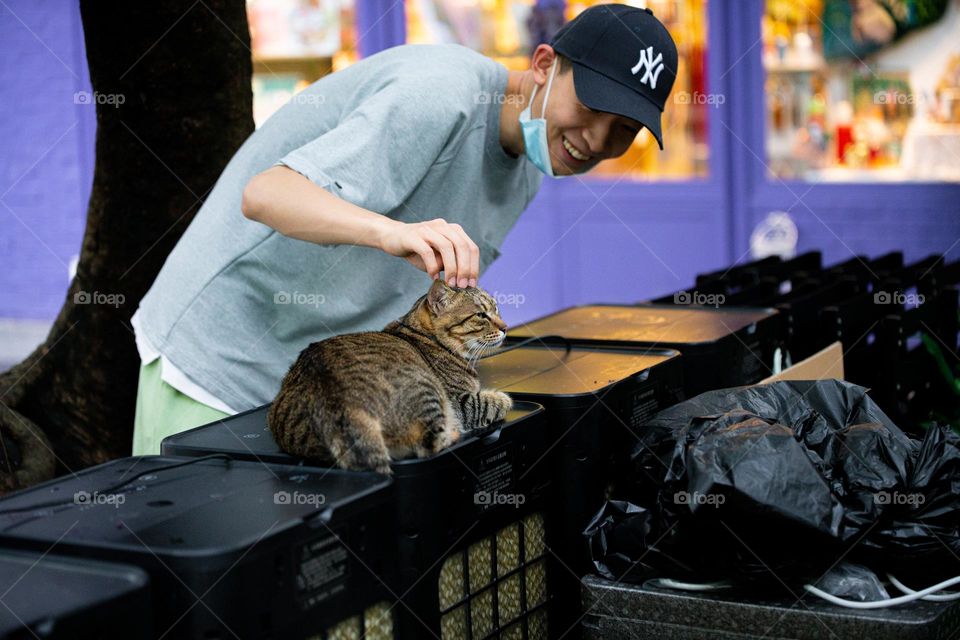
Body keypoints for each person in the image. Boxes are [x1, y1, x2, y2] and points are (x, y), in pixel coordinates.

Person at [130, 3, 679, 455]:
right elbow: (266, 193)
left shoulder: (531, 169)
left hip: (332, 391)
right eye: (590, 105)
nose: (596, 140)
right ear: (542, 64)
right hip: (220, 366)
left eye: (624, 130)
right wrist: (390, 231)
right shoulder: (438, 94)